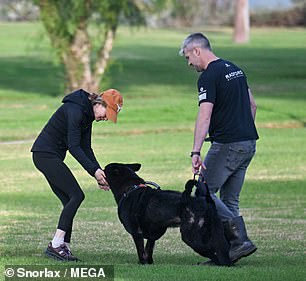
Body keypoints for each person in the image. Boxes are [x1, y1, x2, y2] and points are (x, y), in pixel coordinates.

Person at [179, 33, 258, 264]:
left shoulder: (208, 76)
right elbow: (252, 105)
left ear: (196, 50)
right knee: (229, 200)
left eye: (187, 57)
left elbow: (205, 115)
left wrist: (195, 151)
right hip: (248, 142)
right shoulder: (236, 69)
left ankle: (240, 241)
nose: (189, 64)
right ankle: (229, 253)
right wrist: (242, 129)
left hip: (228, 144)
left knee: (203, 192)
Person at [31, 88, 123, 261]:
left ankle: (63, 247)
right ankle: (56, 245)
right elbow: (74, 147)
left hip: (49, 156)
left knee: (69, 199)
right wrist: (94, 171)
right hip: (44, 155)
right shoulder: (76, 110)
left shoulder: (87, 114)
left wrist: (99, 172)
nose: (105, 118)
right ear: (99, 103)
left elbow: (86, 148)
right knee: (76, 195)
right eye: (107, 112)